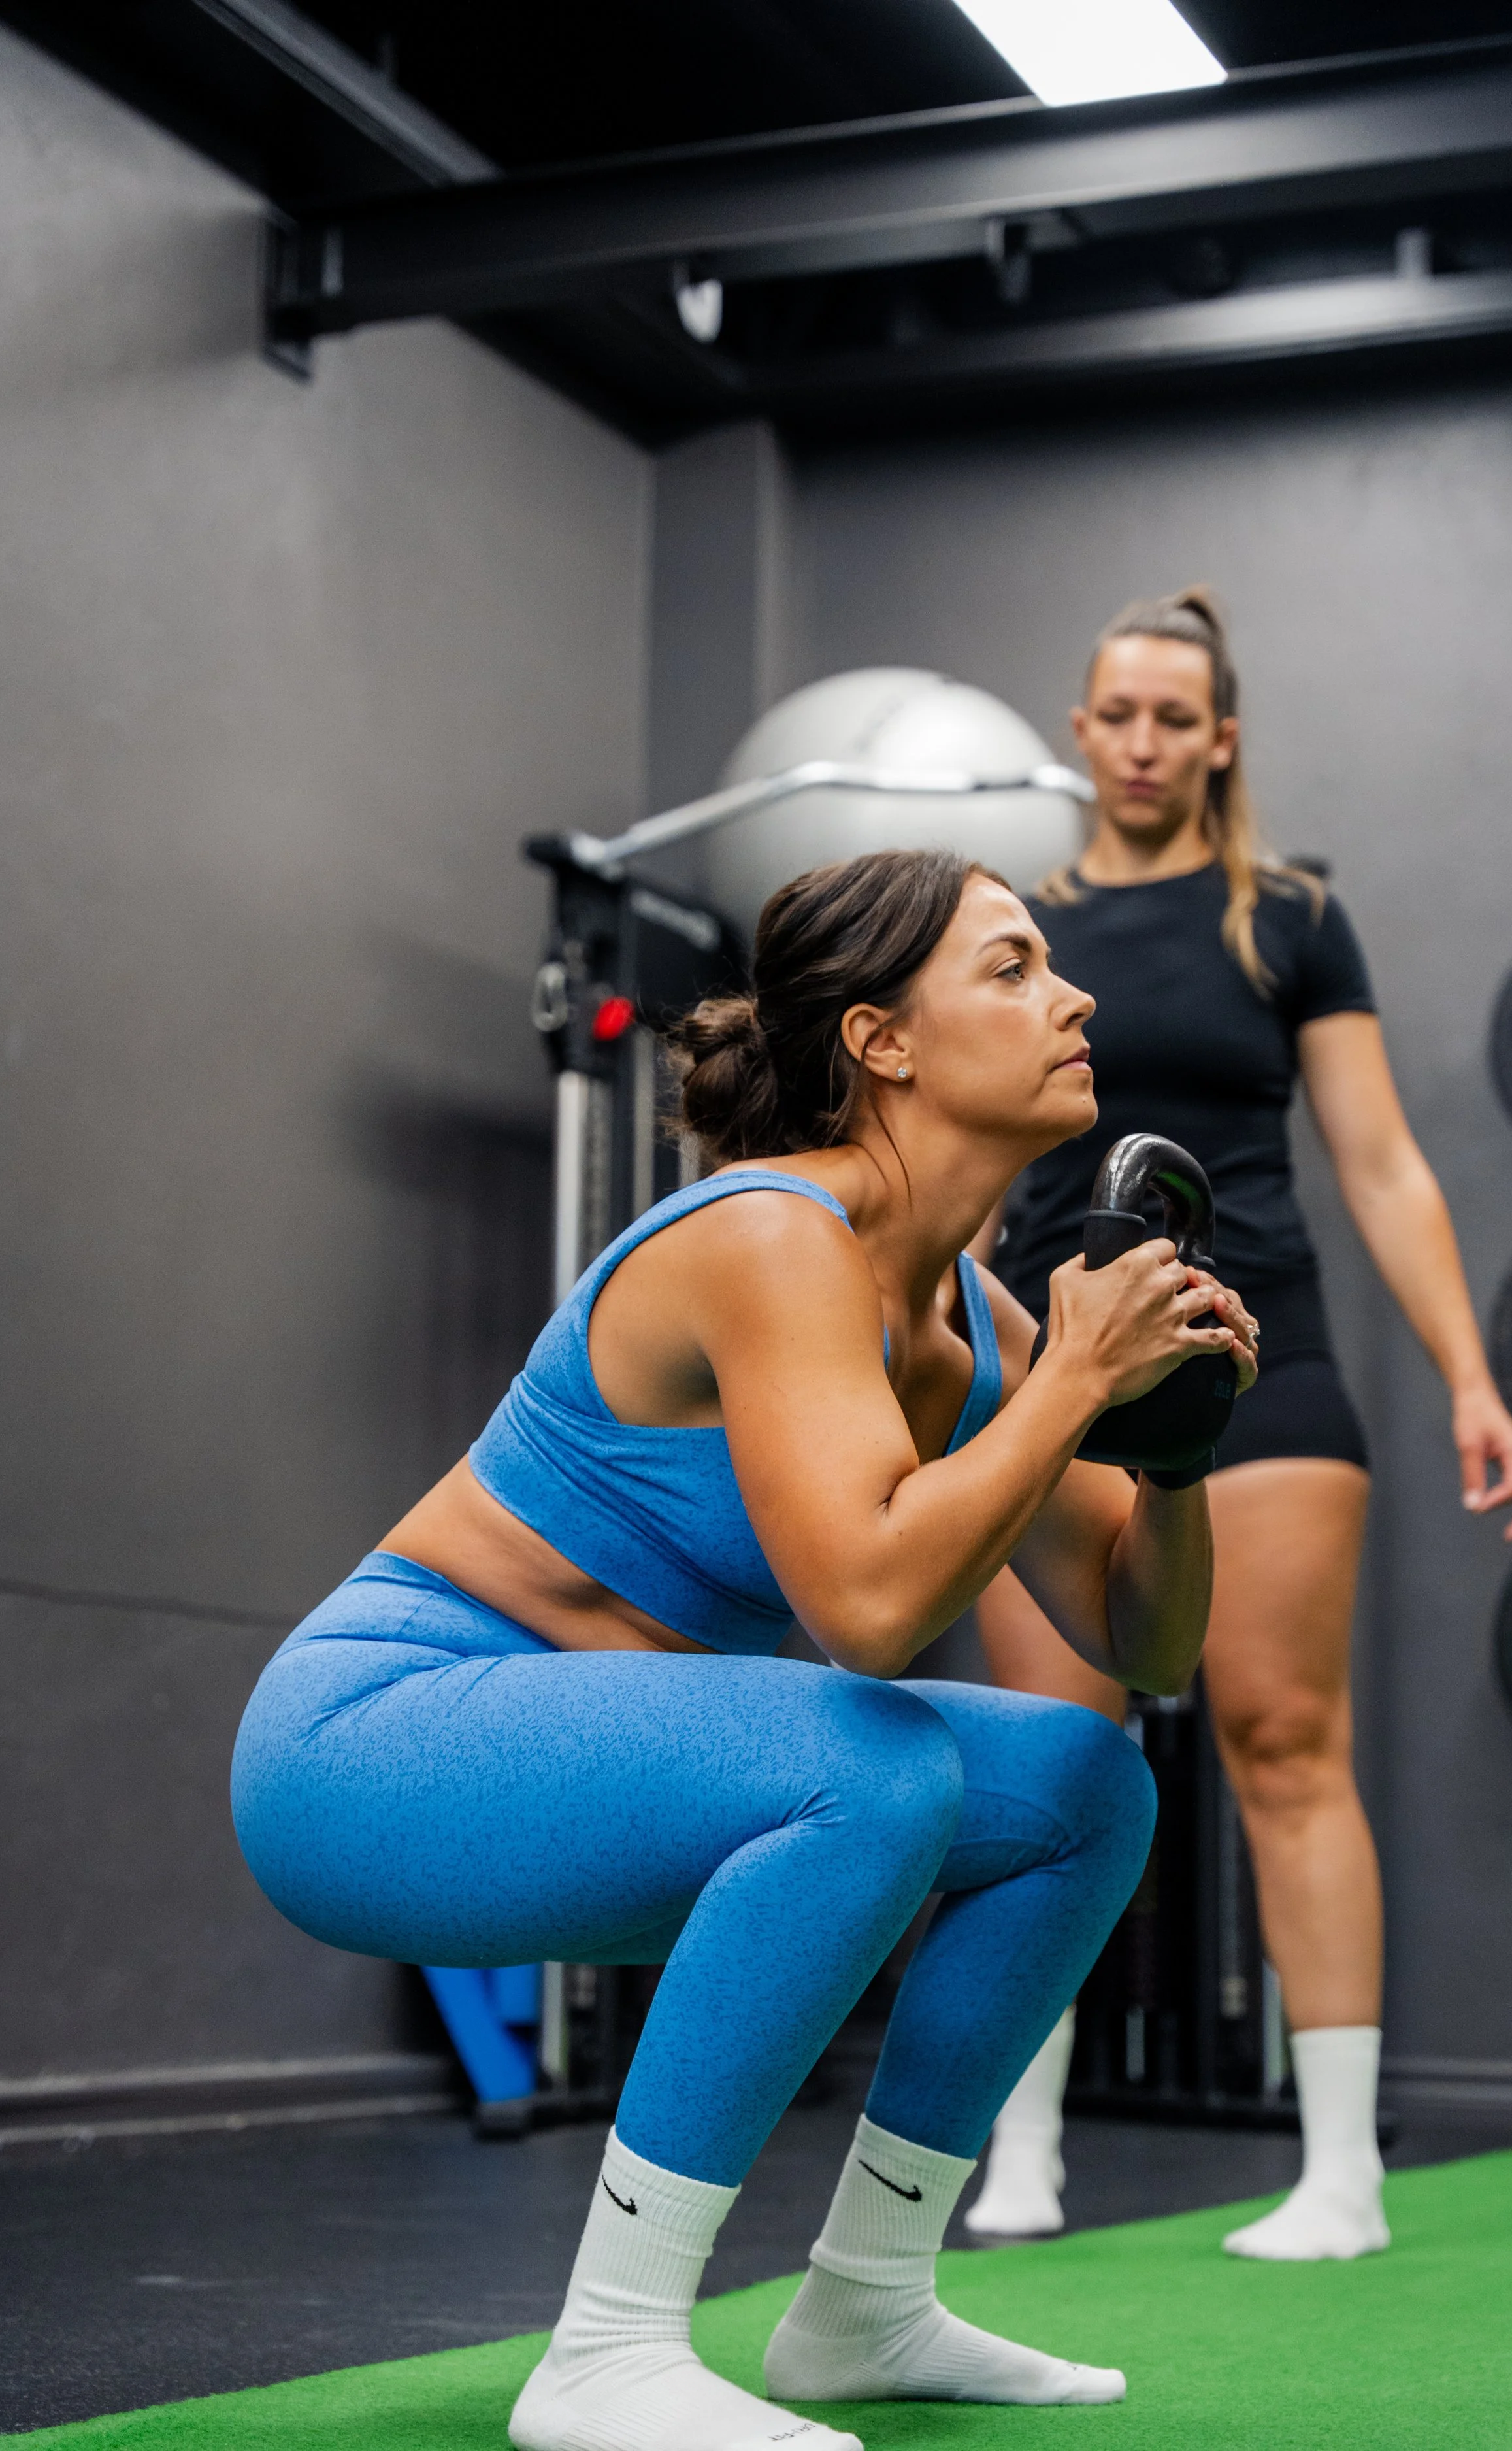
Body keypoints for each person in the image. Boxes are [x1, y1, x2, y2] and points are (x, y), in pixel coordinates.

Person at [231, 846, 1258, 2451]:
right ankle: (607, 2352)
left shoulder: (975, 1322)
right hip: (368, 1746)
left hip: (598, 1760)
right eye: (1007, 968)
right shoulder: (771, 1236)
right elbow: (864, 1612)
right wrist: (1071, 1388)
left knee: (1079, 1781)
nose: (1071, 999)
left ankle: (862, 2306)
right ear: (881, 1041)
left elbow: (1145, 1640)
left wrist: (1172, 1445)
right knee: (873, 1755)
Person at [965, 589, 1512, 2263]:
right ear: (1077, 730)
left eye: (1176, 716)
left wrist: (1464, 1375)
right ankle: (1018, 2151)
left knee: (1283, 1743)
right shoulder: (1015, 924)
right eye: (1116, 713)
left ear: (1219, 737)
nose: (1142, 742)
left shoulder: (1286, 919)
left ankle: (1343, 2176)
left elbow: (1377, 1162)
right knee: (1051, 1754)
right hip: (1053, 1357)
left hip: (1257, 1354)